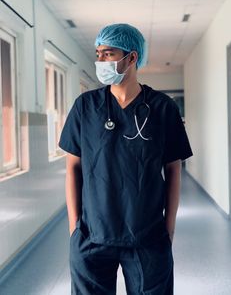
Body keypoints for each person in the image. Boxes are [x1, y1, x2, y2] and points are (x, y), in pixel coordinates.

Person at [59, 23, 193, 295]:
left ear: (131, 57)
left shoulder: (161, 108)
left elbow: (173, 171)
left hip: (147, 236)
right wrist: (75, 230)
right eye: (98, 53)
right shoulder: (85, 107)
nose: (100, 61)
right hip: (92, 236)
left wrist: (168, 231)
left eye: (107, 54)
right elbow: (73, 168)